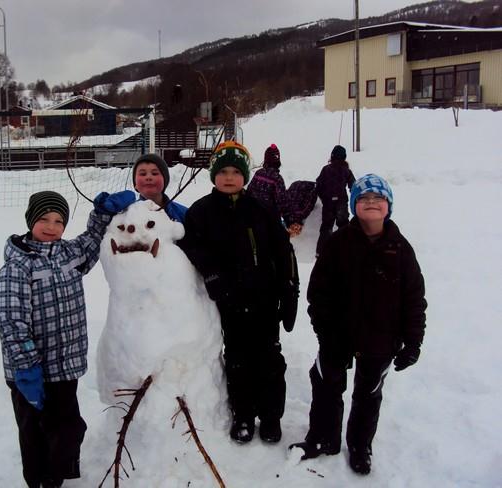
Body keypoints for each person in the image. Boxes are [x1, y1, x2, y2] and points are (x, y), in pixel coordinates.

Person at [0, 189, 135, 488]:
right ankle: (39, 480)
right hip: (29, 373)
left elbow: (91, 240)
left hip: (64, 368)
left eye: (59, 221)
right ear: (31, 220)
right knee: (34, 434)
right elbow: (11, 320)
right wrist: (26, 367)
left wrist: (102, 213)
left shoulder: (68, 254)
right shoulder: (17, 266)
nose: (51, 226)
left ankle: (55, 477)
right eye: (44, 219)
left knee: (68, 429)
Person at [289, 174, 427, 475]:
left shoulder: (401, 249)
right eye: (364, 199)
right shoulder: (338, 243)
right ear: (354, 205)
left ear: (388, 206)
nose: (372, 203)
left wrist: (413, 342)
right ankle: (323, 438)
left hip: (381, 339)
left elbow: (414, 299)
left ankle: (360, 445)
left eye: (378, 198)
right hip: (337, 335)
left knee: (368, 393)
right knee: (326, 385)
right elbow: (318, 293)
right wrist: (324, 331)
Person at [180, 140, 300, 445]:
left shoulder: (261, 209)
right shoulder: (201, 212)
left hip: (265, 301)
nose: (229, 177)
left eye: (236, 171)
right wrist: (212, 272)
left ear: (245, 175)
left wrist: (289, 292)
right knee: (237, 360)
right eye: (223, 171)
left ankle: (271, 417)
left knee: (270, 360)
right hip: (229, 303)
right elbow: (190, 245)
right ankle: (244, 415)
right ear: (213, 175)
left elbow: (283, 251)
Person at [314, 144, 356, 257]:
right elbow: (353, 185)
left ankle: (320, 252)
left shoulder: (326, 169)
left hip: (328, 202)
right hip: (341, 202)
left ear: (332, 156)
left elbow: (318, 184)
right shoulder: (346, 170)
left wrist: (322, 197)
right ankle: (347, 250)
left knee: (326, 227)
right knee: (343, 226)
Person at [132, 153, 188, 223]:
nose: (148, 177)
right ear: (135, 184)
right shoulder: (127, 215)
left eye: (155, 173)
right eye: (143, 174)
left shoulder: (184, 214)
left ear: (165, 180)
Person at [247, 143, 289, 227]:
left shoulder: (259, 173)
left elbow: (249, 191)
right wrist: (288, 219)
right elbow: (282, 202)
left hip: (252, 214)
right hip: (268, 219)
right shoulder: (277, 179)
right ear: (278, 160)